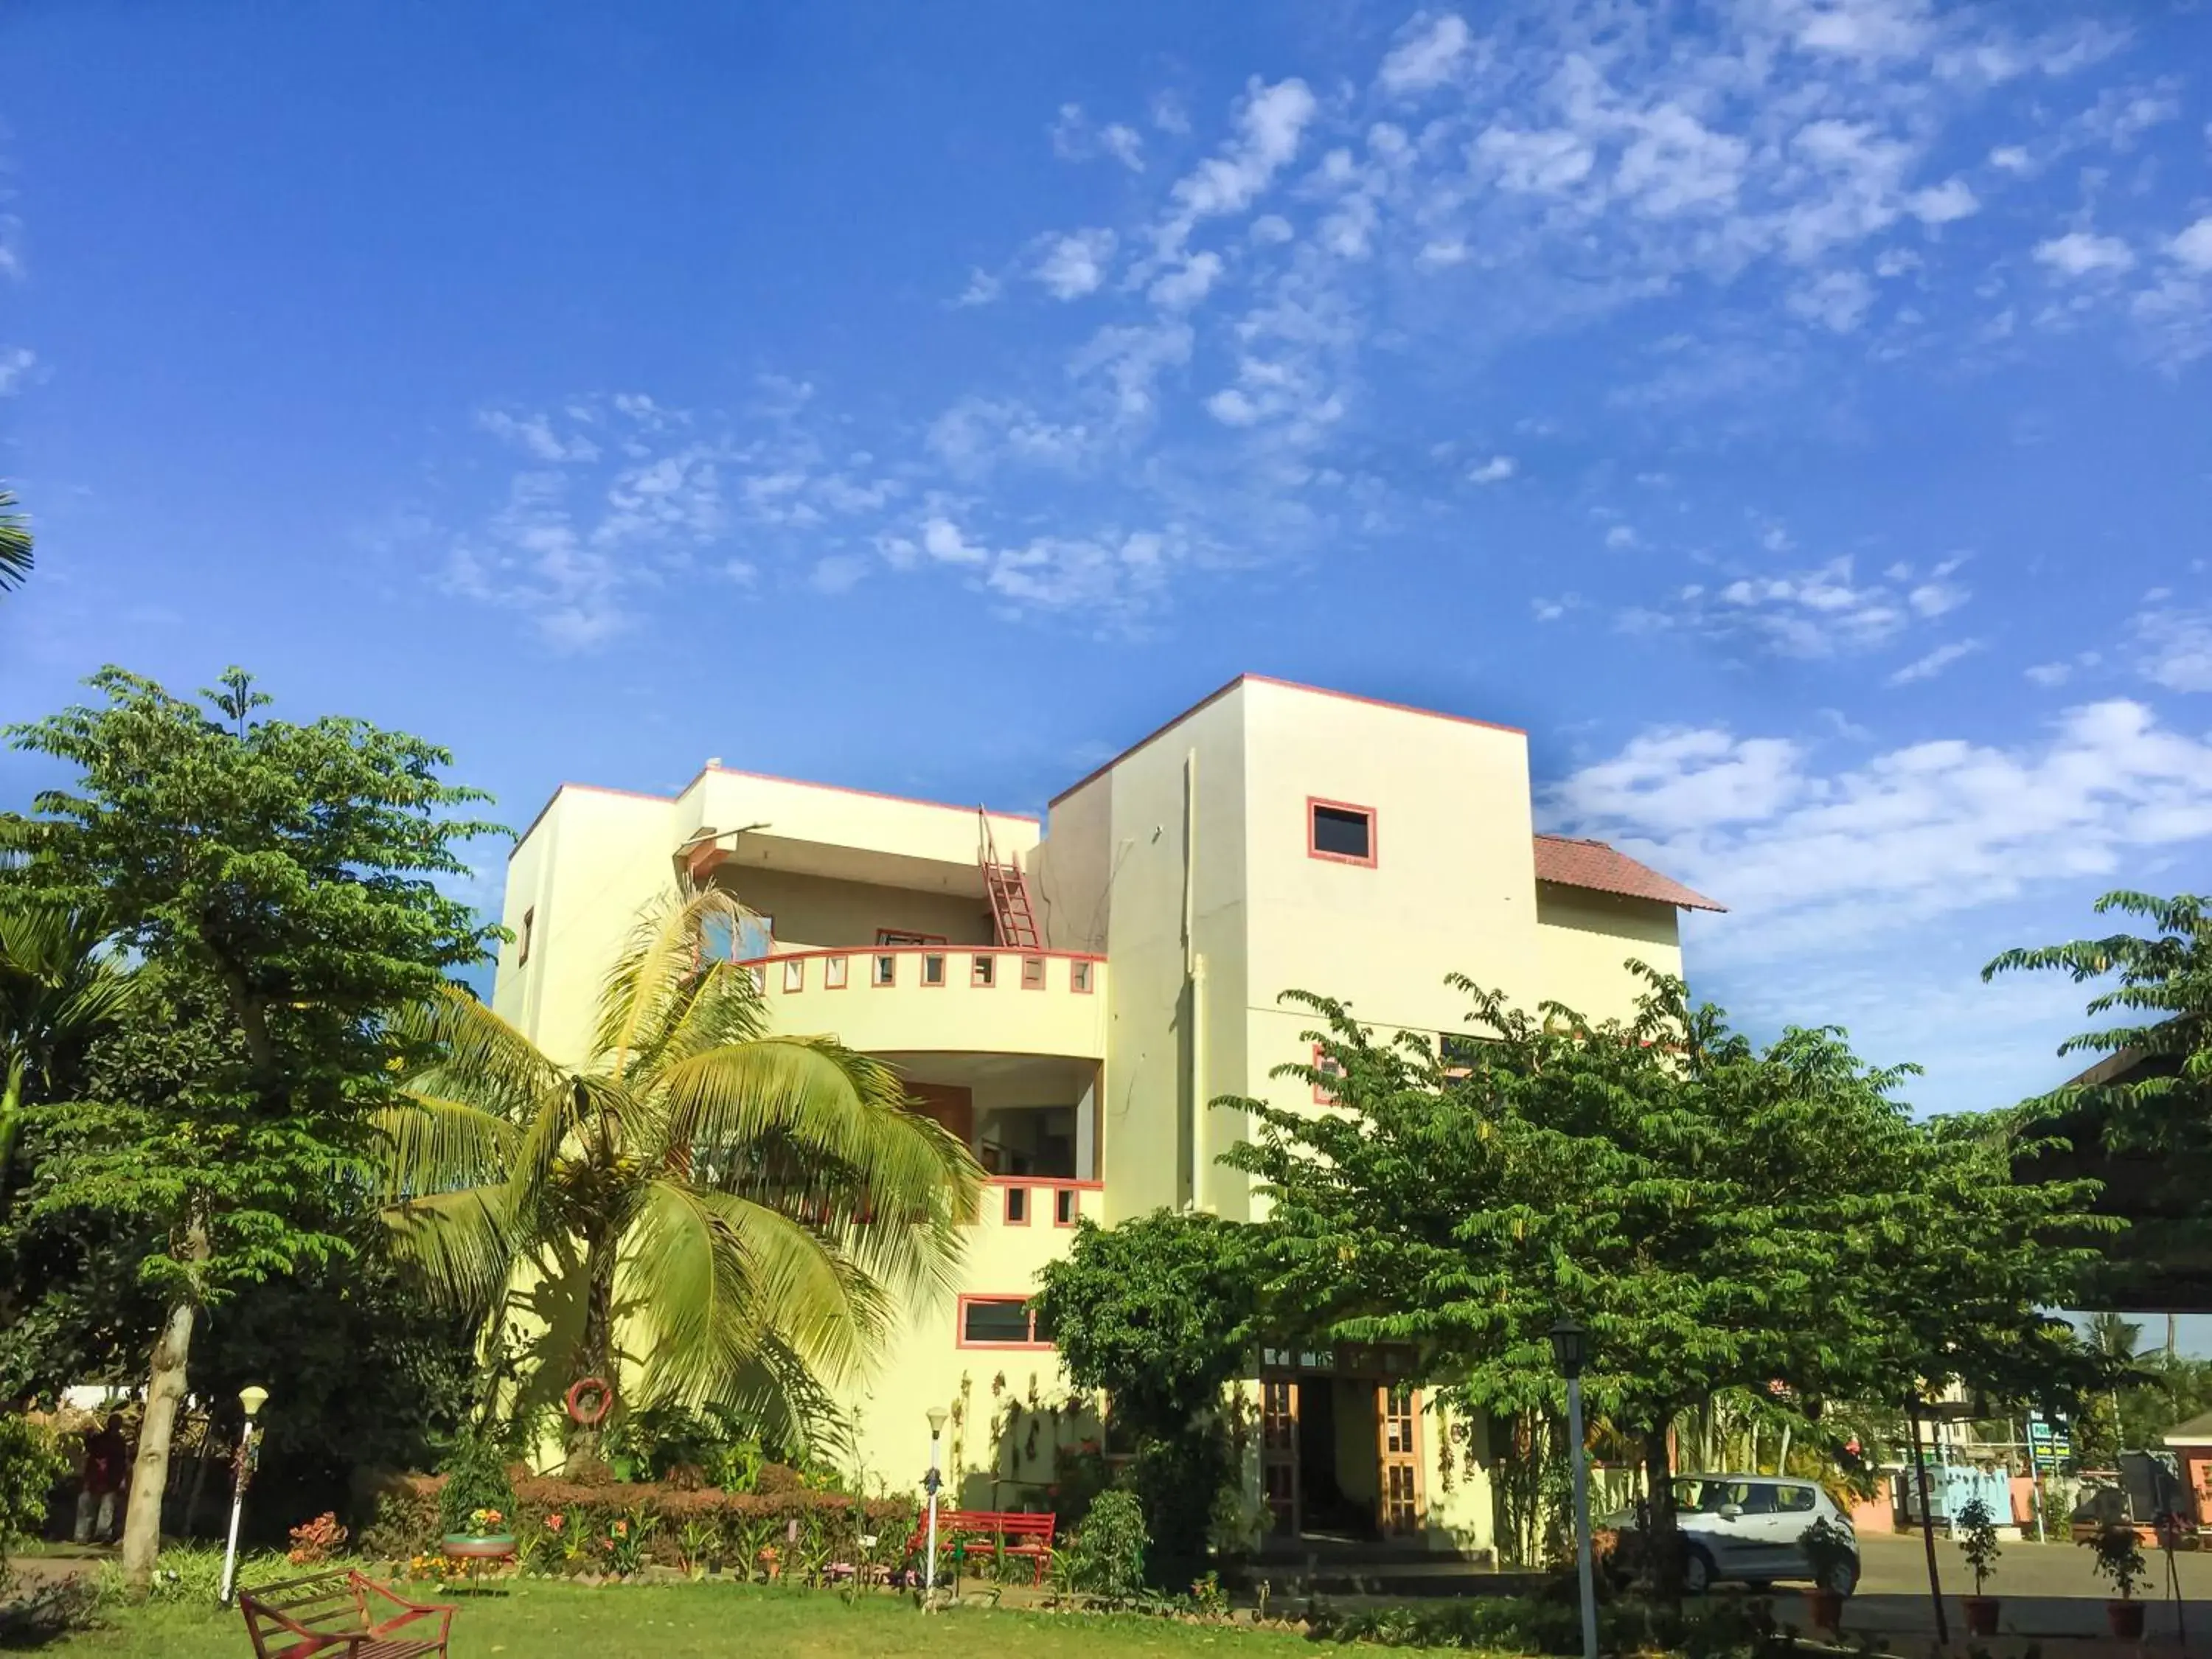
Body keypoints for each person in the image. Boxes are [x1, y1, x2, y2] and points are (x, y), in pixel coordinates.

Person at [74, 1413, 128, 1545]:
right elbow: (90, 1451)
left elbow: (123, 1464)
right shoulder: (100, 1440)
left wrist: (122, 1482)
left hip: (111, 1482)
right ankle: (82, 1536)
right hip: (95, 1480)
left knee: (106, 1508)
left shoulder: (120, 1443)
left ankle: (102, 1536)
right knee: (86, 1505)